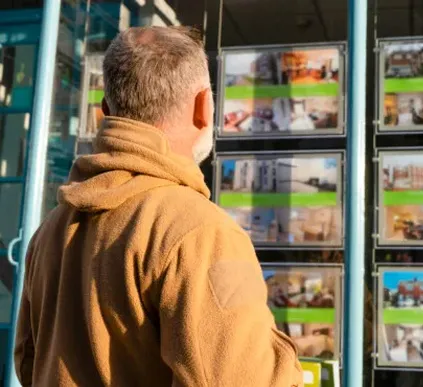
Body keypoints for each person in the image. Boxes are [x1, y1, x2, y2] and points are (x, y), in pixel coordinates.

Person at [14, 26, 303, 387]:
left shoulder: (52, 229)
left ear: (106, 111)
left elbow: (28, 363)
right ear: (203, 106)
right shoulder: (201, 232)